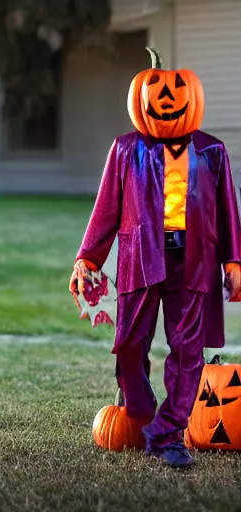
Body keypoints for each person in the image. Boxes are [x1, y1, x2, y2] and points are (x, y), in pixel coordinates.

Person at [69, 47, 241, 468]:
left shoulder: (212, 151)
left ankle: (169, 435)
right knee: (129, 343)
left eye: (178, 89)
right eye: (159, 89)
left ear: (192, 96)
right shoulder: (126, 149)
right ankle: (142, 412)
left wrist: (234, 262)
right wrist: (88, 258)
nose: (168, 97)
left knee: (188, 351)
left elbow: (227, 210)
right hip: (140, 257)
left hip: (194, 259)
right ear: (141, 97)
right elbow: (107, 207)